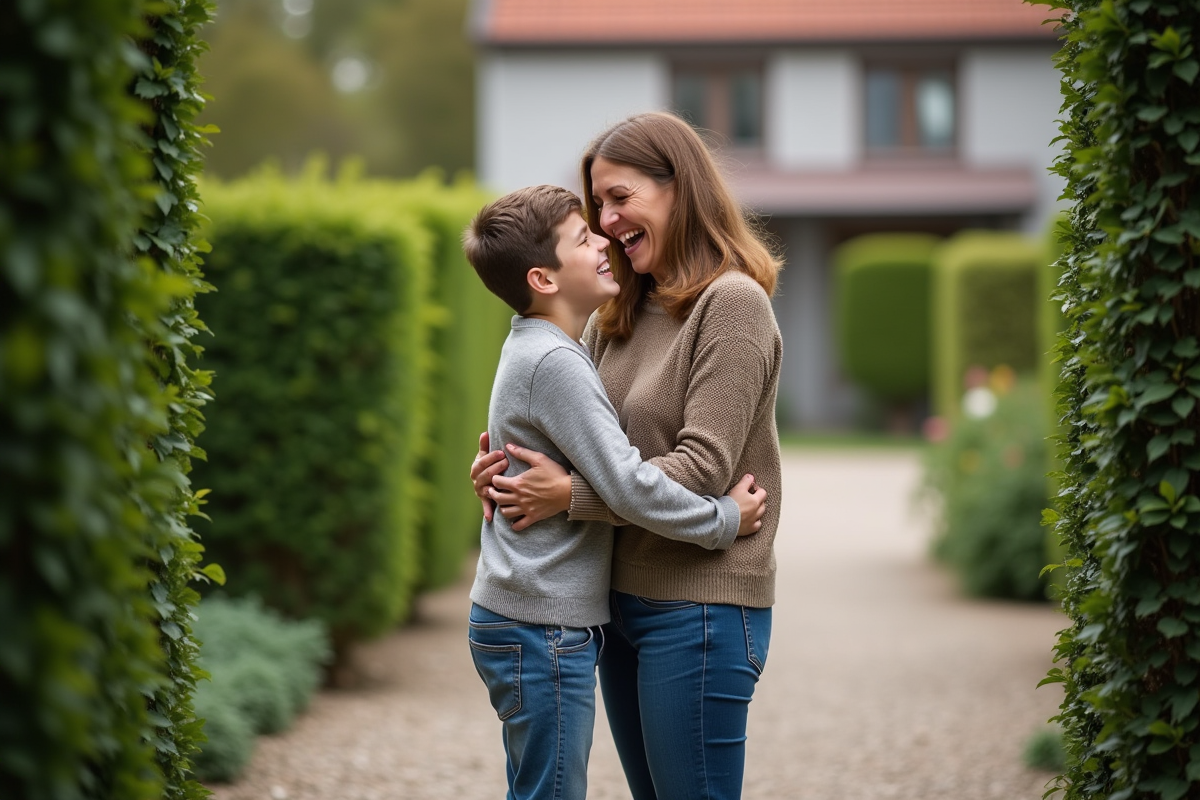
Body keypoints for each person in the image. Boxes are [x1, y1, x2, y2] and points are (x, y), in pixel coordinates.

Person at [471, 112, 783, 800]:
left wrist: (565, 497)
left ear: (680, 189)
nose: (607, 221)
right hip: (616, 602)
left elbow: (703, 471)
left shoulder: (730, 305)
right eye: (597, 206)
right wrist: (511, 477)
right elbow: (578, 441)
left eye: (620, 198)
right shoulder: (614, 313)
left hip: (698, 606)